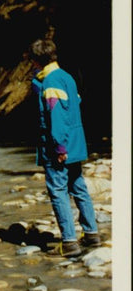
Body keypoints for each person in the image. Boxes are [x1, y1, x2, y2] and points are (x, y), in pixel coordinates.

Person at [29, 38, 101, 257]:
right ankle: (91, 234)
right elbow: (74, 105)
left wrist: (59, 148)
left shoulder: (50, 83)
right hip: (75, 142)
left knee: (58, 192)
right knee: (78, 188)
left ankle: (69, 242)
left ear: (36, 60)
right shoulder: (65, 77)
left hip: (58, 148)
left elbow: (57, 116)